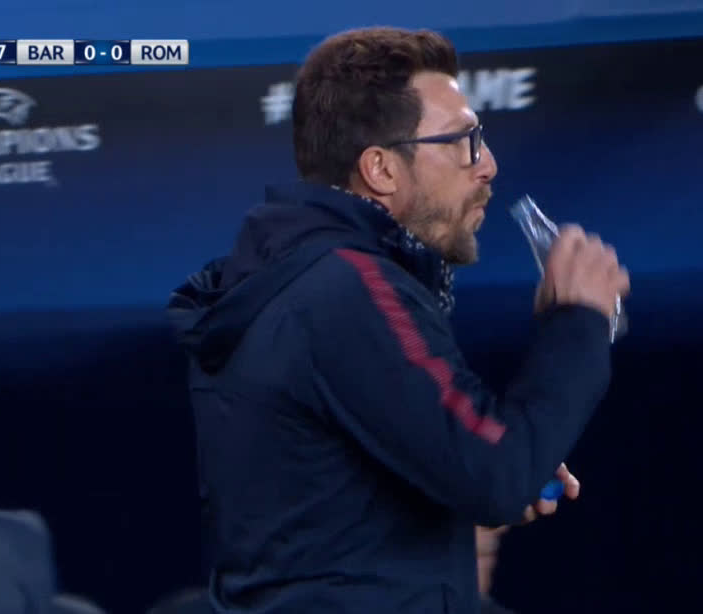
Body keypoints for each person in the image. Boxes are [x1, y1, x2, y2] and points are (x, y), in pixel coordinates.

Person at [167, 26, 629, 614]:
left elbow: (334, 520)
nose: (487, 164)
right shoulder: (351, 288)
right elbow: (494, 474)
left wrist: (512, 461)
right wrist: (579, 322)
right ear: (381, 169)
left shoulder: (297, 284)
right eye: (463, 141)